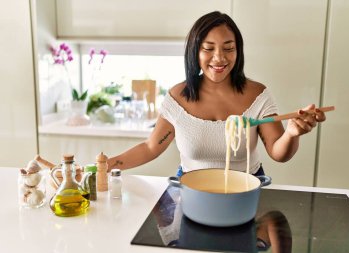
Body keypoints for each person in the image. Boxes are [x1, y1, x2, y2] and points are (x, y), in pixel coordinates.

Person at [107, 11, 327, 176]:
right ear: (195, 51)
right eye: (208, 48)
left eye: (228, 48)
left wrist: (292, 134)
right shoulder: (178, 97)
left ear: (238, 51)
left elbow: (279, 153)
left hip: (246, 189)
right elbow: (150, 147)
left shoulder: (258, 94)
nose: (219, 58)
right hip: (192, 190)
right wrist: (108, 165)